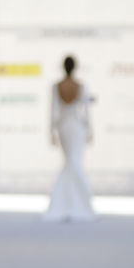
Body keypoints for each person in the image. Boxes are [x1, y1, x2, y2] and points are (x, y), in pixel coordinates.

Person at [43, 55, 94, 222]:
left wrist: (51, 131)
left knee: (70, 161)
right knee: (74, 161)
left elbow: (53, 110)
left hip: (63, 126)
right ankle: (79, 201)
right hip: (77, 127)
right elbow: (86, 110)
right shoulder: (80, 86)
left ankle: (64, 201)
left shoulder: (57, 86)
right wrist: (89, 129)